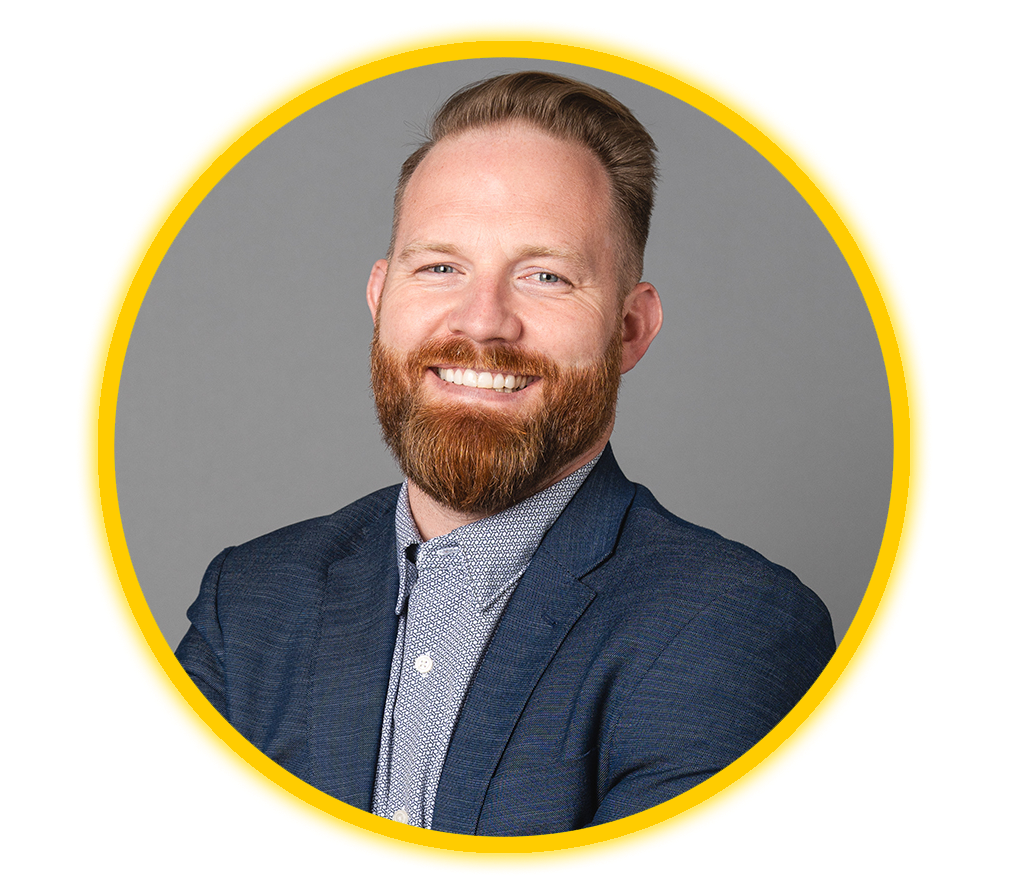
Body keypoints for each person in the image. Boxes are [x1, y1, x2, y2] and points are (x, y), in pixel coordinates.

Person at [176, 71, 836, 836]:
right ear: (380, 298)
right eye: (440, 267)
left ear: (630, 329)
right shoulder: (249, 602)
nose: (483, 321)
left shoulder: (733, 627)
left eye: (545, 276)